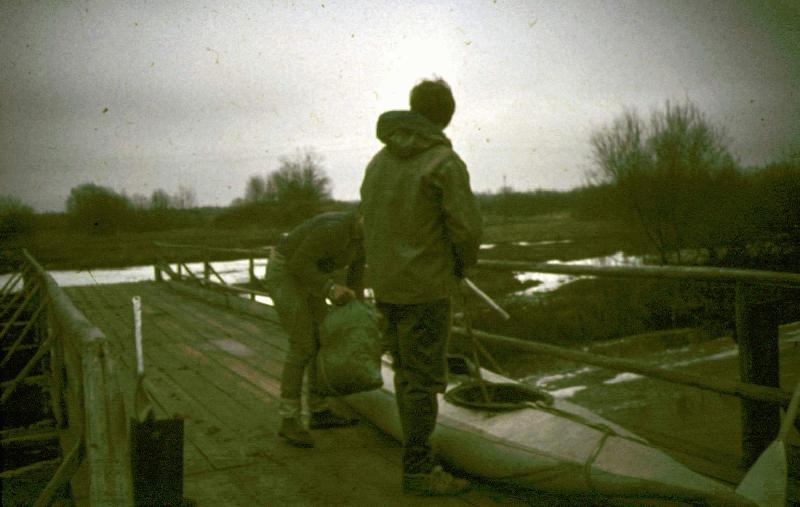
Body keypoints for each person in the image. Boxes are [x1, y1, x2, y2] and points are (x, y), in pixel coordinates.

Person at [359, 78, 482, 495]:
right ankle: (418, 470)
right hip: (426, 289)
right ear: (446, 116)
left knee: (406, 377)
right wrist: (461, 266)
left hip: (387, 288)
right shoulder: (444, 162)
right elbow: (466, 229)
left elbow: (370, 223)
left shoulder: (378, 162)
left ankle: (416, 459)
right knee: (424, 381)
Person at [265, 210, 365, 448]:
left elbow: (356, 277)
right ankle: (289, 419)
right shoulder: (334, 228)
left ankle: (319, 409)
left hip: (312, 273)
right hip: (285, 270)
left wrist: (359, 311)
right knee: (303, 344)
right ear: (361, 215)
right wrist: (330, 288)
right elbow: (298, 262)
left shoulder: (366, 238)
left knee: (323, 337)